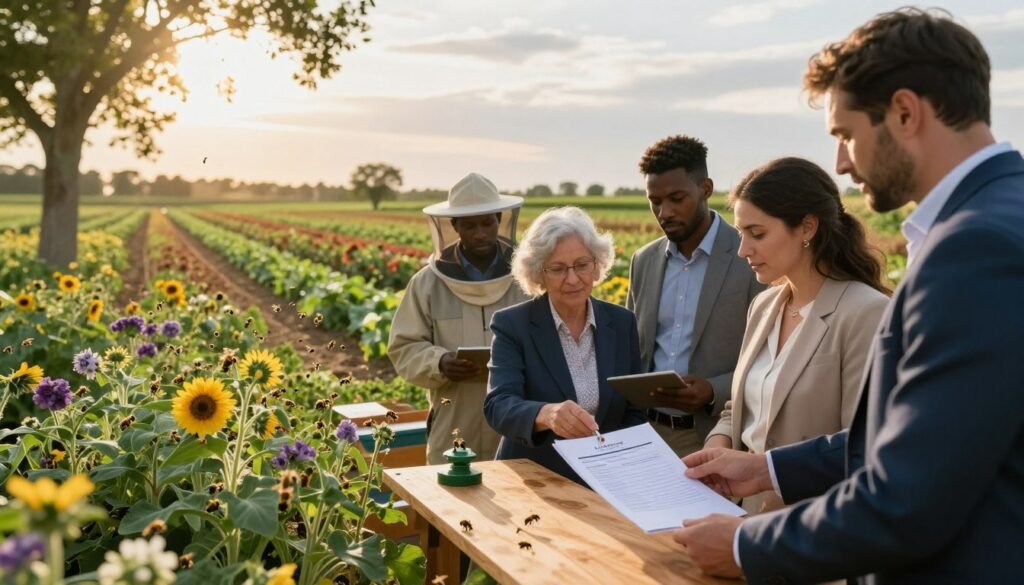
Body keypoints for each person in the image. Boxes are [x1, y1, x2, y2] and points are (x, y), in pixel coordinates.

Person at [673, 8, 1024, 583]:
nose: (840, 162)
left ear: (906, 113)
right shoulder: (997, 217)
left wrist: (744, 546)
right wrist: (767, 468)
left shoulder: (976, 246)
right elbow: (923, 439)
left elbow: (906, 499)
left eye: (846, 134)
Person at [704, 157, 889, 514]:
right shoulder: (764, 306)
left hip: (812, 529)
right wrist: (717, 449)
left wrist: (774, 488)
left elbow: (863, 446)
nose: (743, 249)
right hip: (739, 513)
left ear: (807, 228)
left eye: (757, 234)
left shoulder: (866, 313)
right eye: (740, 233)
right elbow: (741, 407)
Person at [484, 207, 647, 483]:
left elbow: (634, 410)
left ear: (597, 266)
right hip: (534, 480)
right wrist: (545, 414)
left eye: (582, 265)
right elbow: (498, 406)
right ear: (538, 274)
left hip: (605, 480)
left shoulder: (621, 323)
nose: (572, 279)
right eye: (557, 269)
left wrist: (615, 462)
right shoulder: (513, 325)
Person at [628, 135, 764, 457]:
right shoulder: (643, 261)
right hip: (648, 435)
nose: (665, 212)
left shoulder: (750, 257)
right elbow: (635, 348)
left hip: (719, 435)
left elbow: (772, 358)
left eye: (676, 198)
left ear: (705, 189)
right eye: (655, 201)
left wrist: (713, 390)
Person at [388, 173, 529, 464]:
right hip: (452, 416)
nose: (480, 233)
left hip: (515, 420)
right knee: (452, 503)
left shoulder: (527, 280)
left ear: (499, 219)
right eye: (469, 225)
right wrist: (438, 362)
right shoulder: (427, 283)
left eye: (487, 222)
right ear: (453, 226)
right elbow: (404, 346)